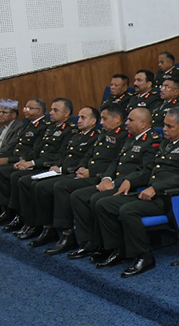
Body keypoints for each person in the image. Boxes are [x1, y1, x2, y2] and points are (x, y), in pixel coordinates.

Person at [92, 108, 179, 278]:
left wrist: (156, 188)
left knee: (128, 210)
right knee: (104, 204)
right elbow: (150, 169)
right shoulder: (167, 143)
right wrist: (130, 180)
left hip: (170, 198)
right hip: (150, 193)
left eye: (169, 126)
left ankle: (144, 257)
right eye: (164, 125)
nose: (164, 129)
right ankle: (119, 250)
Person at [68, 109, 163, 268]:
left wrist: (115, 183)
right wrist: (106, 178)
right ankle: (90, 242)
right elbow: (116, 162)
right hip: (115, 182)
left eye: (130, 120)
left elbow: (145, 171)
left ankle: (115, 248)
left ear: (143, 124)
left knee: (98, 200)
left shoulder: (152, 142)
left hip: (131, 186)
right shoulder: (131, 138)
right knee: (78, 196)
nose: (126, 123)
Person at [39, 106, 127, 255]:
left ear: (117, 119)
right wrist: (81, 167)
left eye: (104, 119)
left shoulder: (123, 136)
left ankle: (70, 235)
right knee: (49, 185)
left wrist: (91, 172)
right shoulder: (104, 134)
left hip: (100, 176)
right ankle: (58, 231)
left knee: (64, 188)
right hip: (89, 173)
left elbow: (115, 162)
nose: (101, 123)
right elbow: (89, 155)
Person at [13, 106, 98, 246]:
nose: (79, 120)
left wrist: (62, 169)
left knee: (52, 186)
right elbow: (64, 155)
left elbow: (85, 160)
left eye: (83, 117)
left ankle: (64, 232)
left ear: (94, 121)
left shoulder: (95, 137)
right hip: (64, 169)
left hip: (75, 172)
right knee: (32, 182)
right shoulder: (77, 135)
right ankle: (42, 226)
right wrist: (57, 166)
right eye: (79, 117)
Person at [0, 98, 72, 230]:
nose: (50, 113)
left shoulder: (70, 130)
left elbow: (60, 155)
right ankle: (16, 215)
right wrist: (24, 160)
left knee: (21, 179)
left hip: (48, 165)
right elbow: (38, 149)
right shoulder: (50, 128)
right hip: (40, 162)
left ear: (66, 113)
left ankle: (30, 221)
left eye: (55, 110)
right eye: (51, 110)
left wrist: (32, 162)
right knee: (11, 174)